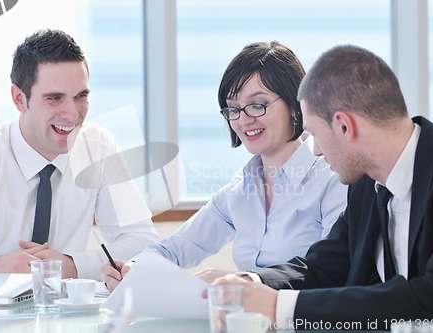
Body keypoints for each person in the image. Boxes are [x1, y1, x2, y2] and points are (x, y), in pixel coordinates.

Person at [209, 44, 433, 329]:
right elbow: (324, 266)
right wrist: (253, 282)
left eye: (315, 134)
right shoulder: (367, 186)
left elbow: (431, 297)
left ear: (344, 126)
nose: (315, 150)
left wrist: (277, 306)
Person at [101, 41, 347, 291]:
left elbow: (331, 272)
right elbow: (178, 246)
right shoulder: (240, 188)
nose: (243, 120)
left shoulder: (332, 178)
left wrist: (240, 281)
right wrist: (134, 267)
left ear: (295, 107)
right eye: (233, 108)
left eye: (257, 104)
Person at [0, 29, 159, 280]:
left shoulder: (97, 147)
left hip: (63, 313)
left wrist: (74, 266)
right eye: (54, 98)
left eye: (81, 97)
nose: (72, 114)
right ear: (19, 99)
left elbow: (143, 242)